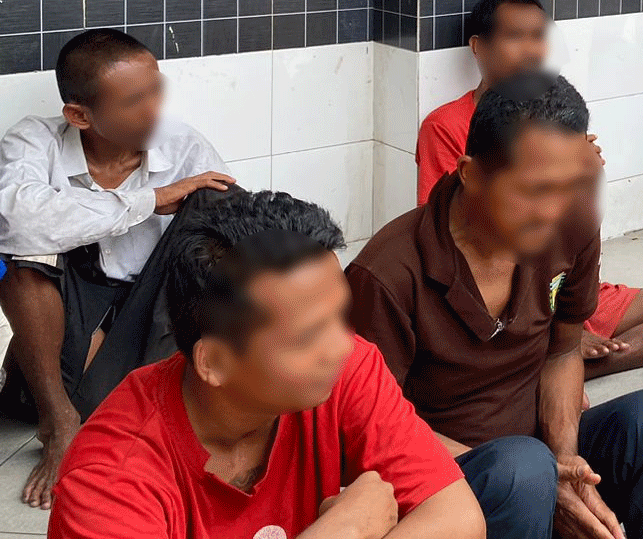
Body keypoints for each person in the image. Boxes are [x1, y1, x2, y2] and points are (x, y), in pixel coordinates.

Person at [351, 72, 643, 539]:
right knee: (521, 469)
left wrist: (565, 462)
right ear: (471, 175)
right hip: (447, 483)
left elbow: (562, 352)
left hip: (538, 454)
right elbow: (371, 429)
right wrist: (539, 476)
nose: (554, 210)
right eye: (534, 190)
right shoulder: (388, 274)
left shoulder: (570, 222)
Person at [47, 188, 484, 539]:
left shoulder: (345, 369)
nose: (342, 346)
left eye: (341, 316)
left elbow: (459, 518)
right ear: (214, 362)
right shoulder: (111, 479)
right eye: (308, 335)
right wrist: (342, 531)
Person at [0, 28, 235, 509]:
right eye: (132, 102)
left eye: (155, 91)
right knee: (23, 252)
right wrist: (149, 200)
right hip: (73, 296)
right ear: (79, 115)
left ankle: (81, 390)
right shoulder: (35, 139)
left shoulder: (185, 146)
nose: (153, 112)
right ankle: (58, 420)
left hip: (154, 302)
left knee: (213, 210)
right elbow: (16, 219)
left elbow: (229, 247)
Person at [414, 0, 643, 378]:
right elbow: (455, 241)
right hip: (509, 298)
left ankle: (566, 354)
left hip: (563, 284)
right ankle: (559, 356)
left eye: (539, 37)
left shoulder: (557, 118)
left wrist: (585, 182)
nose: (531, 51)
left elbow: (570, 226)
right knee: (578, 344)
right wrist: (560, 329)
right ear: (478, 47)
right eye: (516, 37)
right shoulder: (445, 125)